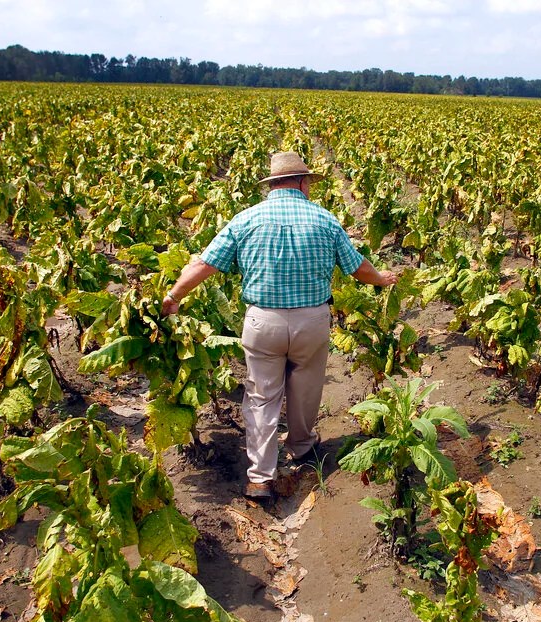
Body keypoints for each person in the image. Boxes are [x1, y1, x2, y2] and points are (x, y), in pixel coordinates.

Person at [161, 151, 398, 501]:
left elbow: (205, 264)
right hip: (311, 320)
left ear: (272, 185)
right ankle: (302, 447)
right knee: (306, 386)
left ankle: (260, 476)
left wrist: (174, 295)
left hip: (263, 321)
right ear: (303, 183)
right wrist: (381, 279)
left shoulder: (246, 219)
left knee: (261, 396)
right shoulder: (324, 219)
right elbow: (357, 267)